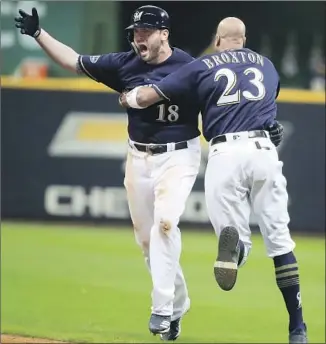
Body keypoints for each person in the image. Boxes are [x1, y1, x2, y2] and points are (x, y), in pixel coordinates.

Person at [14, 5, 201, 340]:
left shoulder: (188, 67)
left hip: (179, 156)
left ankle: (162, 308)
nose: (138, 37)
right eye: (136, 32)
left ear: (164, 34)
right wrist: (39, 34)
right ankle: (178, 304)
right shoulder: (125, 64)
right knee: (147, 242)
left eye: (145, 31)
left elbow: (220, 100)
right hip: (138, 157)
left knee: (166, 223)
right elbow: (74, 61)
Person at [120, 17, 308, 344]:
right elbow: (266, 108)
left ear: (218, 39)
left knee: (230, 233)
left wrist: (129, 99)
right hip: (263, 149)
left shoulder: (203, 64)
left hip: (225, 152)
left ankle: (237, 249)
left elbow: (153, 94)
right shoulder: (267, 65)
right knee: (280, 242)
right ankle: (297, 328)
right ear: (244, 39)